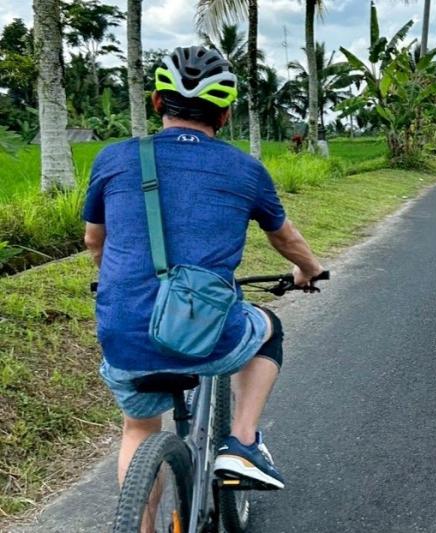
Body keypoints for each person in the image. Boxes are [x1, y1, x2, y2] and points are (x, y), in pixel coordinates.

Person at [83, 46, 324, 490]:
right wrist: (309, 270)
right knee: (268, 326)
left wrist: (118, 277)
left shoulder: (113, 159)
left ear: (158, 103)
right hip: (211, 333)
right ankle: (243, 444)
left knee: (138, 430)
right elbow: (285, 237)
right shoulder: (245, 169)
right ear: (226, 114)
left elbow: (94, 242)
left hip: (126, 330)